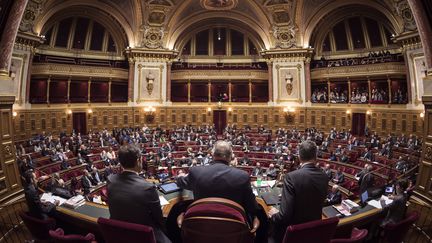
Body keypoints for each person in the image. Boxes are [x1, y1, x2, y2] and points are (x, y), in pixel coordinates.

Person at [177, 141, 259, 227]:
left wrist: (180, 176)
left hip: (201, 226)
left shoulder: (196, 172)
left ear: (212, 154)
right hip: (232, 228)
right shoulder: (242, 176)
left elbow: (180, 182)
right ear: (231, 156)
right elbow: (252, 206)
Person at [107, 145, 171, 243]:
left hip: (118, 234)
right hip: (142, 235)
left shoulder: (110, 180)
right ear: (138, 161)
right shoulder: (148, 187)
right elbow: (159, 219)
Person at [268, 140, 329, 242]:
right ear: (315, 157)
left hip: (293, 234)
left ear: (299, 157)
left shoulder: (291, 177)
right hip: (314, 231)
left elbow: (284, 216)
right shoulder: (324, 176)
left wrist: (274, 215)